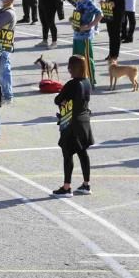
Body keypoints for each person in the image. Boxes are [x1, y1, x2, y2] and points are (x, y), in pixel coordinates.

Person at [51, 54, 94, 197]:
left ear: (72, 68)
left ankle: (66, 187)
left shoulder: (72, 84)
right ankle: (86, 184)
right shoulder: (87, 82)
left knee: (68, 154)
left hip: (71, 123)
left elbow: (58, 99)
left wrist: (63, 101)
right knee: (83, 153)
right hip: (84, 121)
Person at [69, 0, 103, 84]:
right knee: (76, 59)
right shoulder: (78, 1)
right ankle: (78, 79)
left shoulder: (88, 2)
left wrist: (90, 25)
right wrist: (72, 19)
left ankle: (91, 80)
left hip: (85, 37)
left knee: (87, 59)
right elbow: (77, 15)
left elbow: (100, 14)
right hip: (77, 35)